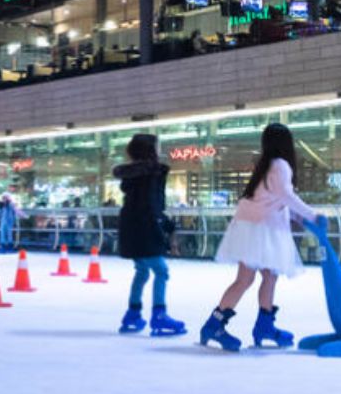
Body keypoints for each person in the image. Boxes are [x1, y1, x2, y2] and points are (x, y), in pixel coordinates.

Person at [200, 123, 319, 351]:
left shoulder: (267, 166)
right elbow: (286, 196)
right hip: (259, 230)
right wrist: (312, 215)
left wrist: (300, 217)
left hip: (254, 227)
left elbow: (278, 199)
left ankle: (264, 324)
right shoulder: (280, 165)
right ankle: (214, 324)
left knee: (269, 276)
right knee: (247, 279)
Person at [115, 134, 186, 336]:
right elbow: (153, 204)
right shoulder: (154, 173)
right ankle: (159, 315)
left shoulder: (130, 175)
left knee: (142, 271)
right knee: (161, 271)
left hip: (130, 228)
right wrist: (168, 226)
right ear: (151, 150)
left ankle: (133, 313)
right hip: (146, 228)